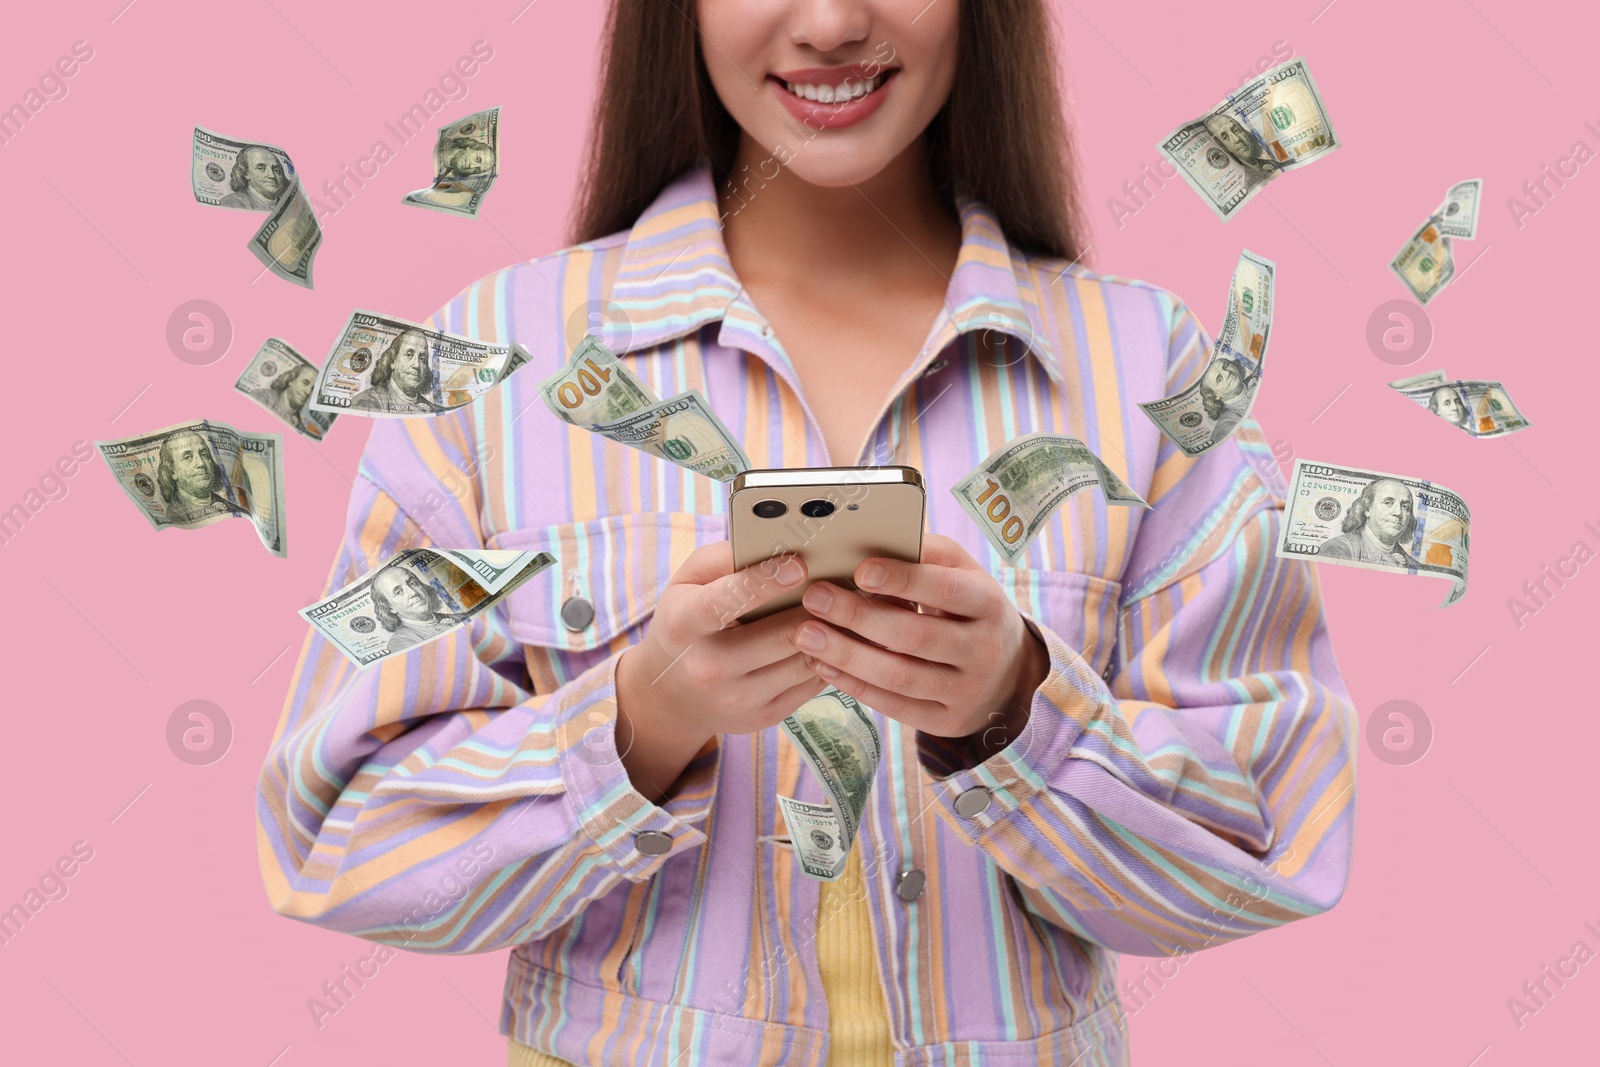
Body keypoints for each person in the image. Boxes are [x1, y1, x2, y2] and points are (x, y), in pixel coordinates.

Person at [258, 3, 1355, 1064]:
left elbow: (1275, 831)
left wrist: (1015, 707)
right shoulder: (493, 360)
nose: (829, 23)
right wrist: (638, 721)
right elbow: (339, 836)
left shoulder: (1146, 365)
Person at [1318, 478, 1421, 566]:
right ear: (1367, 509)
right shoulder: (1338, 549)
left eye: (1405, 506)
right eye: (1388, 503)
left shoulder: (1414, 565)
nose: (1398, 512)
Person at [369, 562, 467, 653]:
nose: (413, 592)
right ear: (390, 608)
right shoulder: (401, 643)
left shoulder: (461, 617)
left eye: (412, 583)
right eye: (399, 592)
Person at [157, 429, 240, 525]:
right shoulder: (173, 516)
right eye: (187, 457)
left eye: (204, 455)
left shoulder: (232, 508)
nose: (201, 463)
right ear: (172, 472)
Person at [349, 328, 440, 414]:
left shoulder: (435, 411)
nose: (416, 365)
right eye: (409, 355)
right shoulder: (367, 403)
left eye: (422, 358)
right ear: (392, 361)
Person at [1196, 355, 1259, 441]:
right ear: (1215, 396)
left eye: (1226, 365)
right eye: (1219, 379)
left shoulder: (1259, 373)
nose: (1227, 373)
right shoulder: (1225, 426)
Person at [1203, 112, 1281, 175]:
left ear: (1244, 131)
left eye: (1236, 130)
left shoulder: (1271, 163)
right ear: (1223, 146)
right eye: (1226, 137)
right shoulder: (1242, 180)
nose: (1237, 139)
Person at [217, 144, 287, 210]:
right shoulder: (232, 202)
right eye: (261, 168)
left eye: (276, 170)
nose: (272, 175)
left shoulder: (286, 204)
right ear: (246, 173)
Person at [254, 365, 318, 426]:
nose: (308, 391)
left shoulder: (301, 423)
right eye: (305, 383)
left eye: (313, 389)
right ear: (291, 380)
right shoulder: (262, 396)